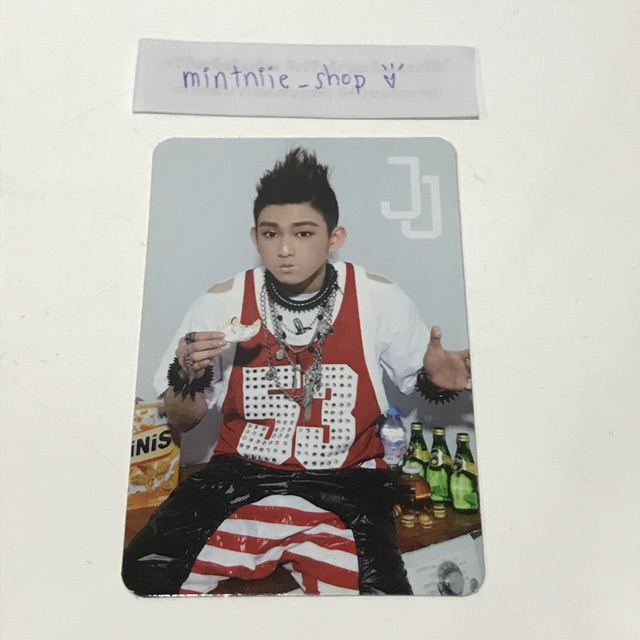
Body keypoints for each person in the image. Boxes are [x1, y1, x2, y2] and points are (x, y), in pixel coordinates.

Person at [122, 147, 470, 596]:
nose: (284, 249)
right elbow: (182, 420)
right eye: (271, 233)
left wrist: (436, 380)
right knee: (143, 580)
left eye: (303, 233)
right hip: (237, 477)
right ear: (255, 237)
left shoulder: (379, 297)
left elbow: (422, 380)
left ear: (334, 237)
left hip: (347, 482)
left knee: (379, 603)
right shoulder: (220, 302)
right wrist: (187, 376)